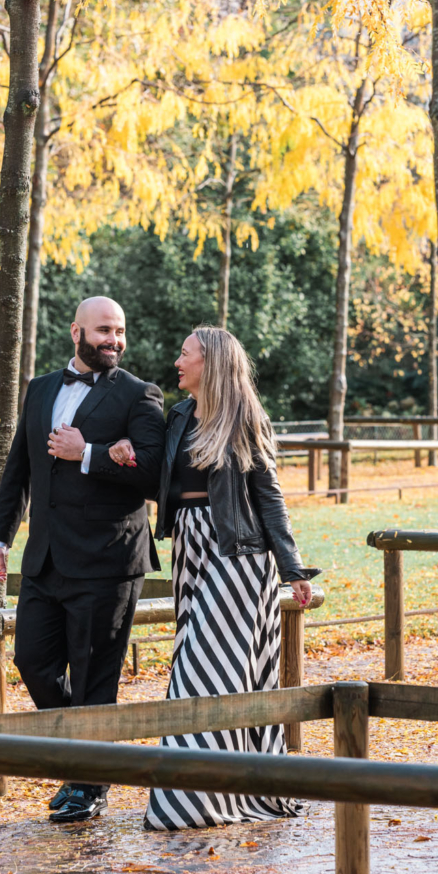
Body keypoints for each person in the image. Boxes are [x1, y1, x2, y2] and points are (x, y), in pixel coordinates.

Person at [109, 325, 318, 831]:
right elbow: (164, 480)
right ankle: (217, 794)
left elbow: (270, 498)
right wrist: (125, 455)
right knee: (204, 665)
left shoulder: (246, 418)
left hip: (238, 556)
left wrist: (291, 568)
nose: (176, 361)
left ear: (212, 363)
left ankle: (189, 802)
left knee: (201, 669)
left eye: (186, 354)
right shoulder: (178, 415)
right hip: (190, 547)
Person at [0, 296, 166, 824]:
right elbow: (18, 469)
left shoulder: (139, 395)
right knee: (32, 662)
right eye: (104, 330)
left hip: (108, 561)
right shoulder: (40, 389)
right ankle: (93, 756)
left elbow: (155, 475)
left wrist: (87, 453)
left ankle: (87, 785)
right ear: (76, 332)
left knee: (93, 678)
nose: (114, 340)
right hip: (44, 559)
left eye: (120, 331)